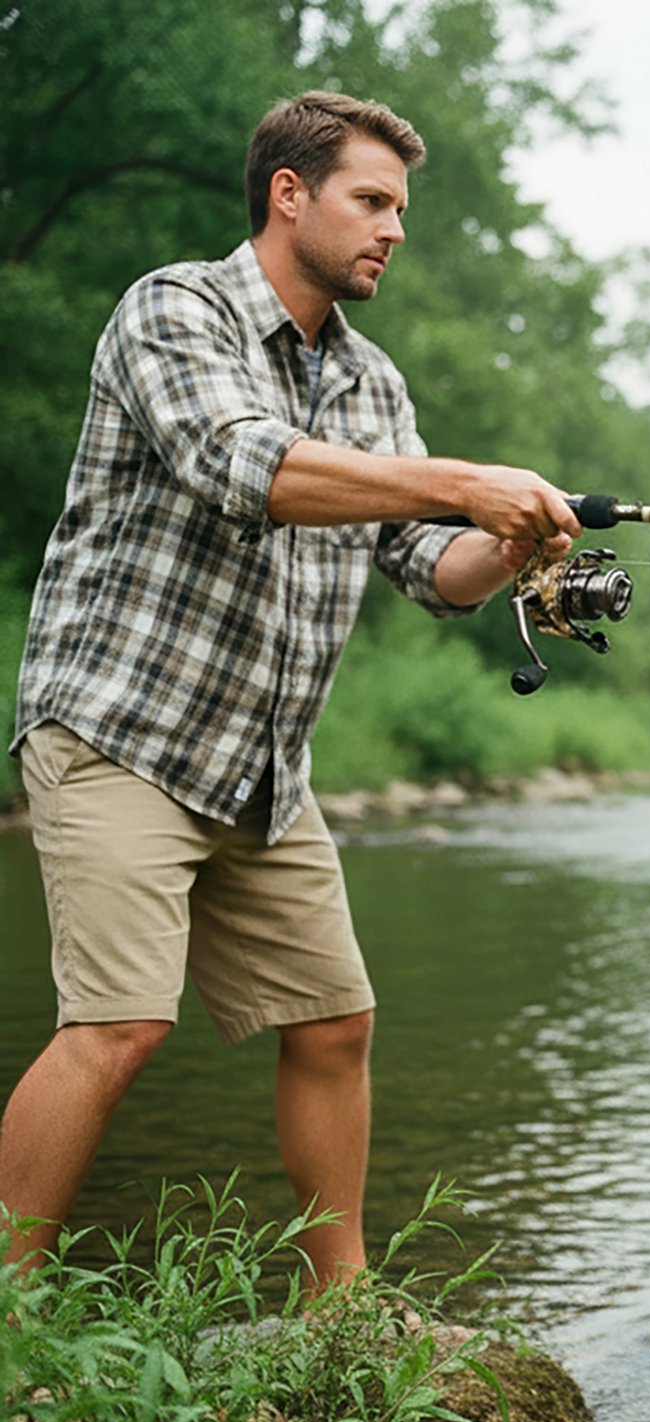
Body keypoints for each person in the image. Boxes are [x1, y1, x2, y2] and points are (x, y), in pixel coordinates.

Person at [0, 91, 581, 1287]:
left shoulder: (373, 383)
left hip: (266, 764)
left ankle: (341, 1312)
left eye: (400, 210)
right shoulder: (173, 309)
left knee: (336, 1025)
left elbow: (434, 571)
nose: (394, 230)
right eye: (372, 201)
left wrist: (516, 543)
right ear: (289, 194)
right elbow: (241, 465)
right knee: (115, 1028)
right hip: (118, 728)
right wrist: (467, 478)